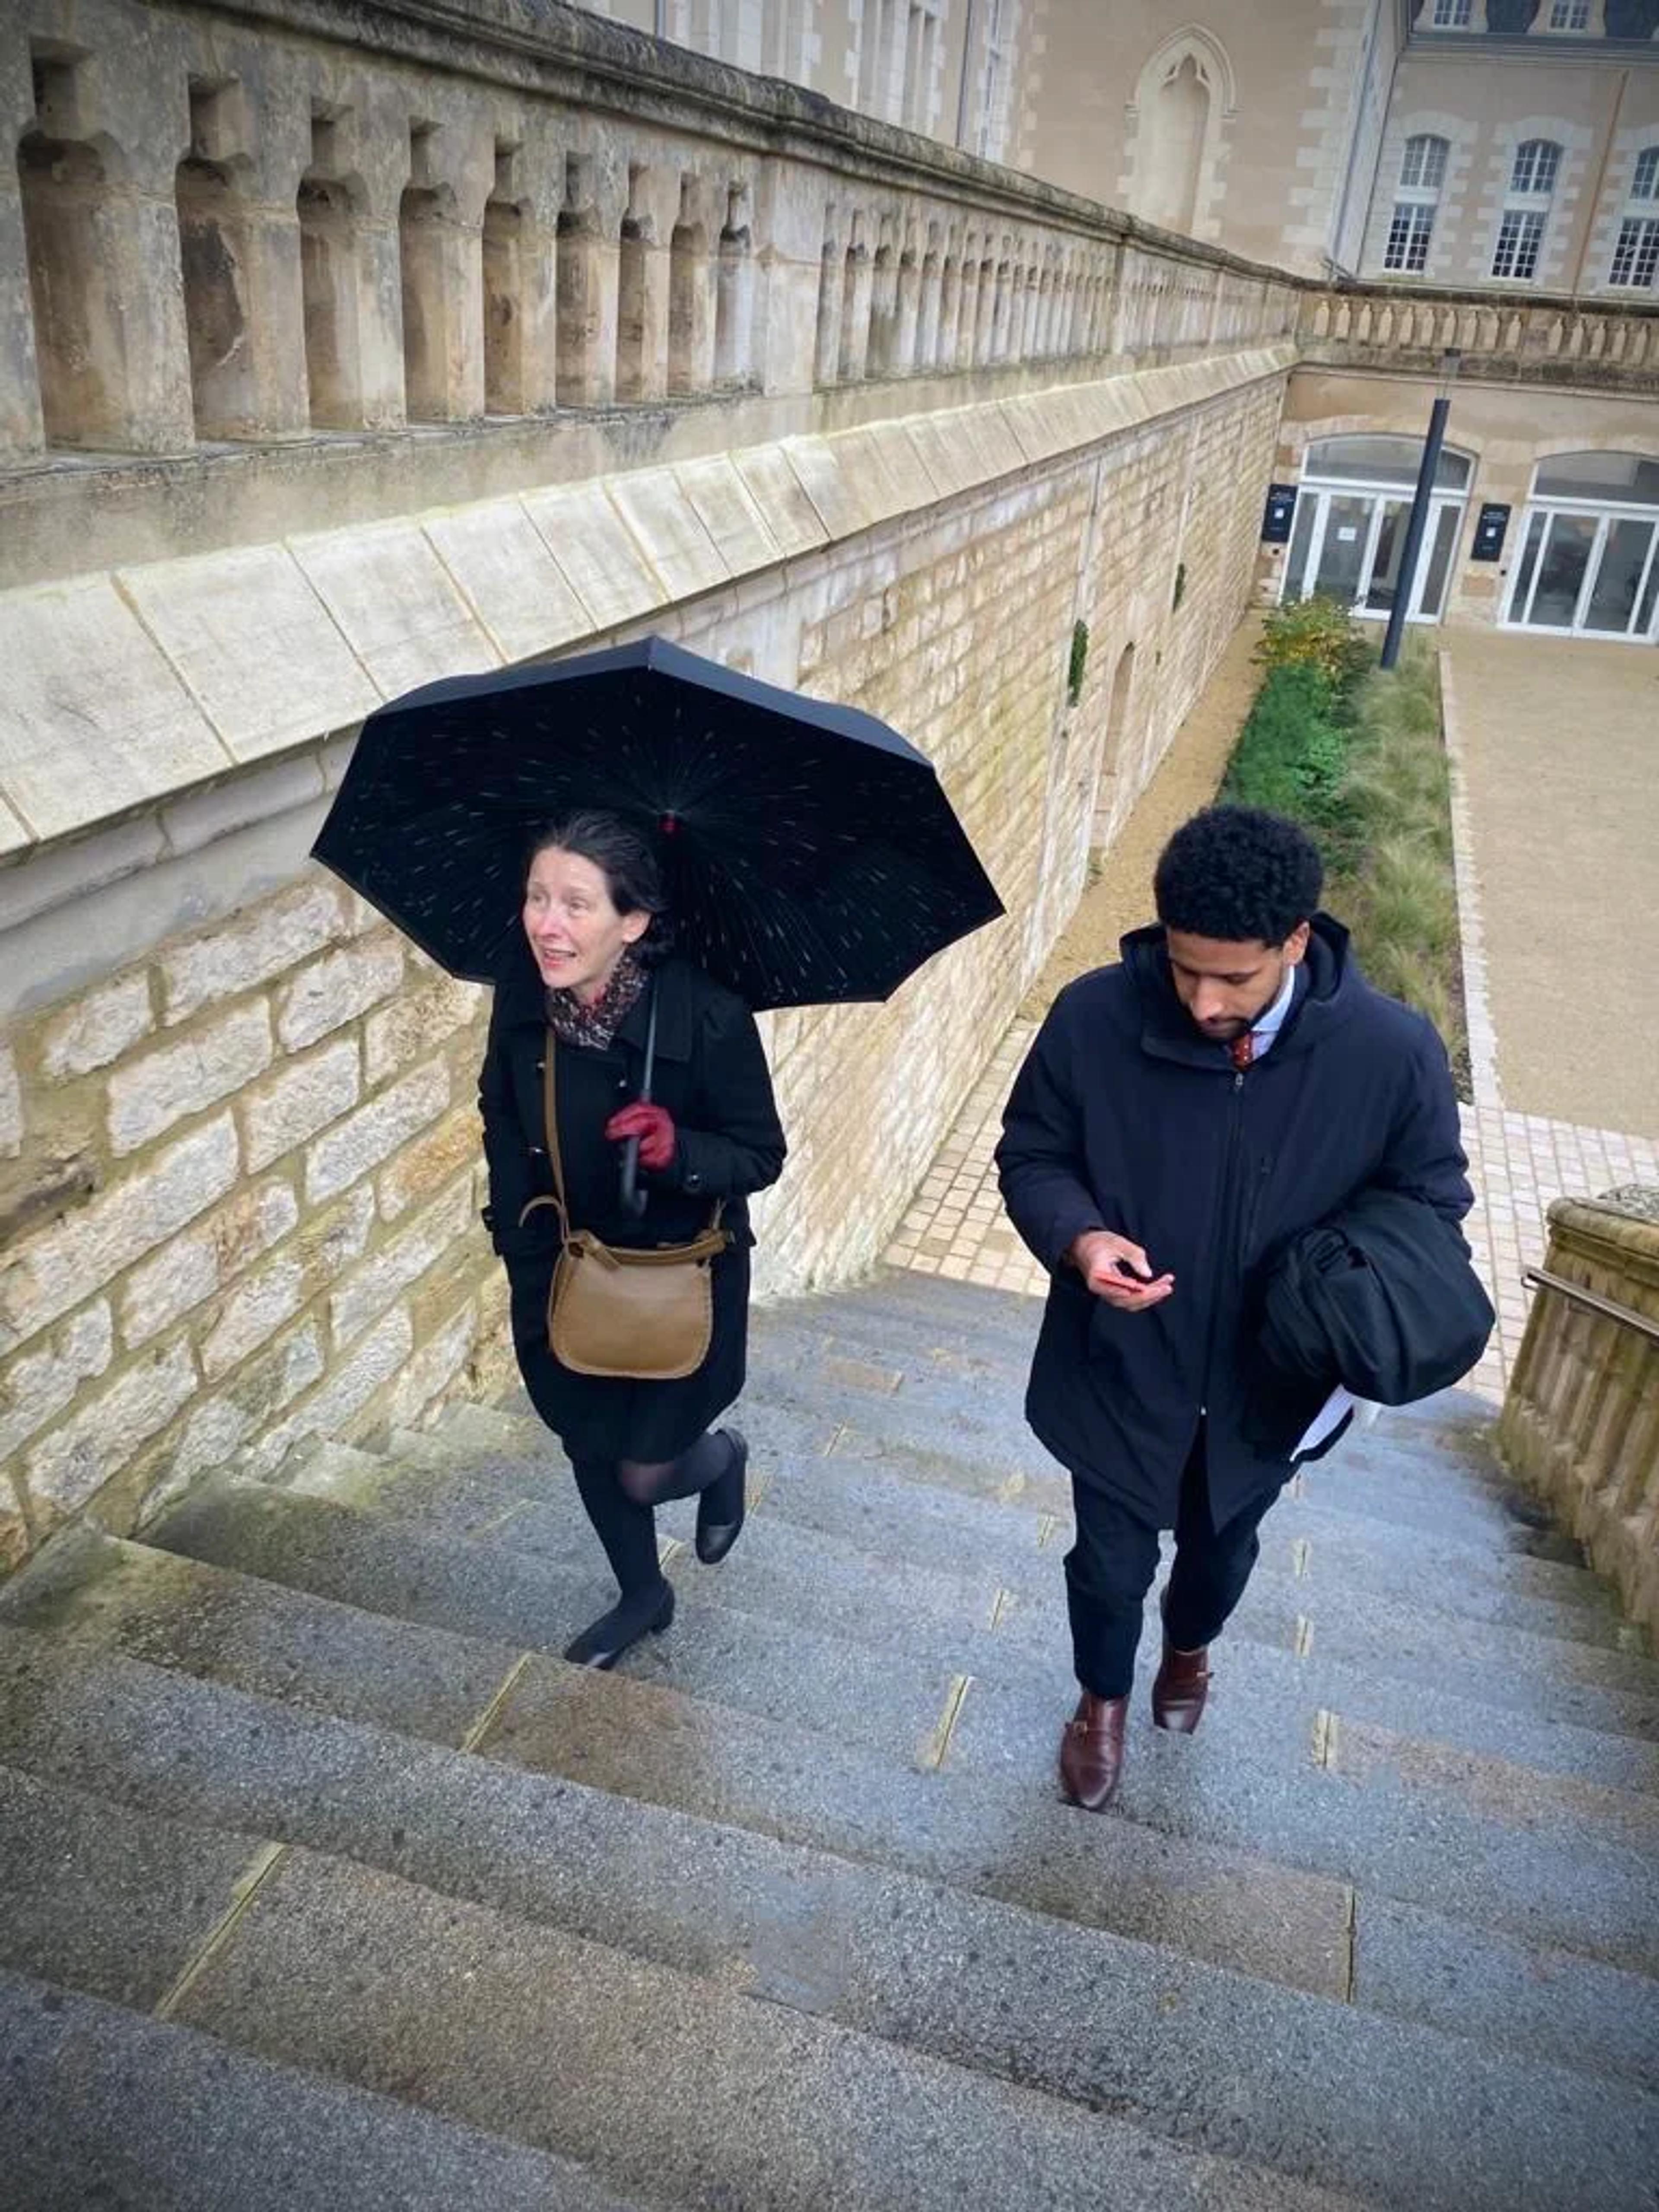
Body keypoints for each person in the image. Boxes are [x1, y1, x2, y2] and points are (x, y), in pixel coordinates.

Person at [995, 804, 1471, 1811]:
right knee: (1107, 1562)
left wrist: (1340, 1282)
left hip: (1275, 1385)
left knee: (1219, 1555)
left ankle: (1192, 1648)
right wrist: (1083, 1240)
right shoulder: (1092, 1018)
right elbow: (1032, 1154)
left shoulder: (1394, 1054)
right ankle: (1100, 1702)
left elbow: (1433, 1201)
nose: (1205, 1000)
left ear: (1297, 940)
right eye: (1183, 967)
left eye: (1235, 977)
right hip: (1121, 1363)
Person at [478, 810, 786, 1669]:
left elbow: (761, 1153)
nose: (547, 922)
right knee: (587, 1438)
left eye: (577, 904)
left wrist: (679, 1151)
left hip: (679, 1278)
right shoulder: (523, 994)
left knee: (645, 1468)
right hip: (562, 1268)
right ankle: (643, 1592)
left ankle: (721, 1460)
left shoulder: (710, 1017)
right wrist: (518, 1235)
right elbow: (500, 1110)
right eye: (538, 896)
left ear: (635, 922)